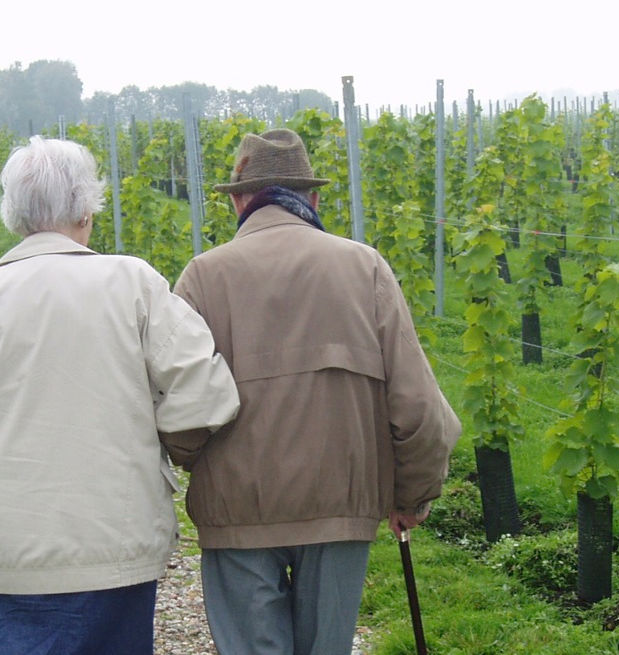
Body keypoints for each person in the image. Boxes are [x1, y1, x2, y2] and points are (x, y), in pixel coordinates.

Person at [0, 136, 240, 655]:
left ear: (13, 215)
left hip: (4, 555)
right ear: (85, 209)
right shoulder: (134, 285)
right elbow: (205, 395)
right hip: (113, 545)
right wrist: (158, 451)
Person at [162, 129, 461, 654]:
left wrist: (189, 459)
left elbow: (177, 405)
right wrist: (411, 496)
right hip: (338, 505)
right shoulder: (364, 266)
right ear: (313, 197)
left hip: (236, 511)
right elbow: (418, 408)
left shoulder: (203, 277)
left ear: (238, 199)